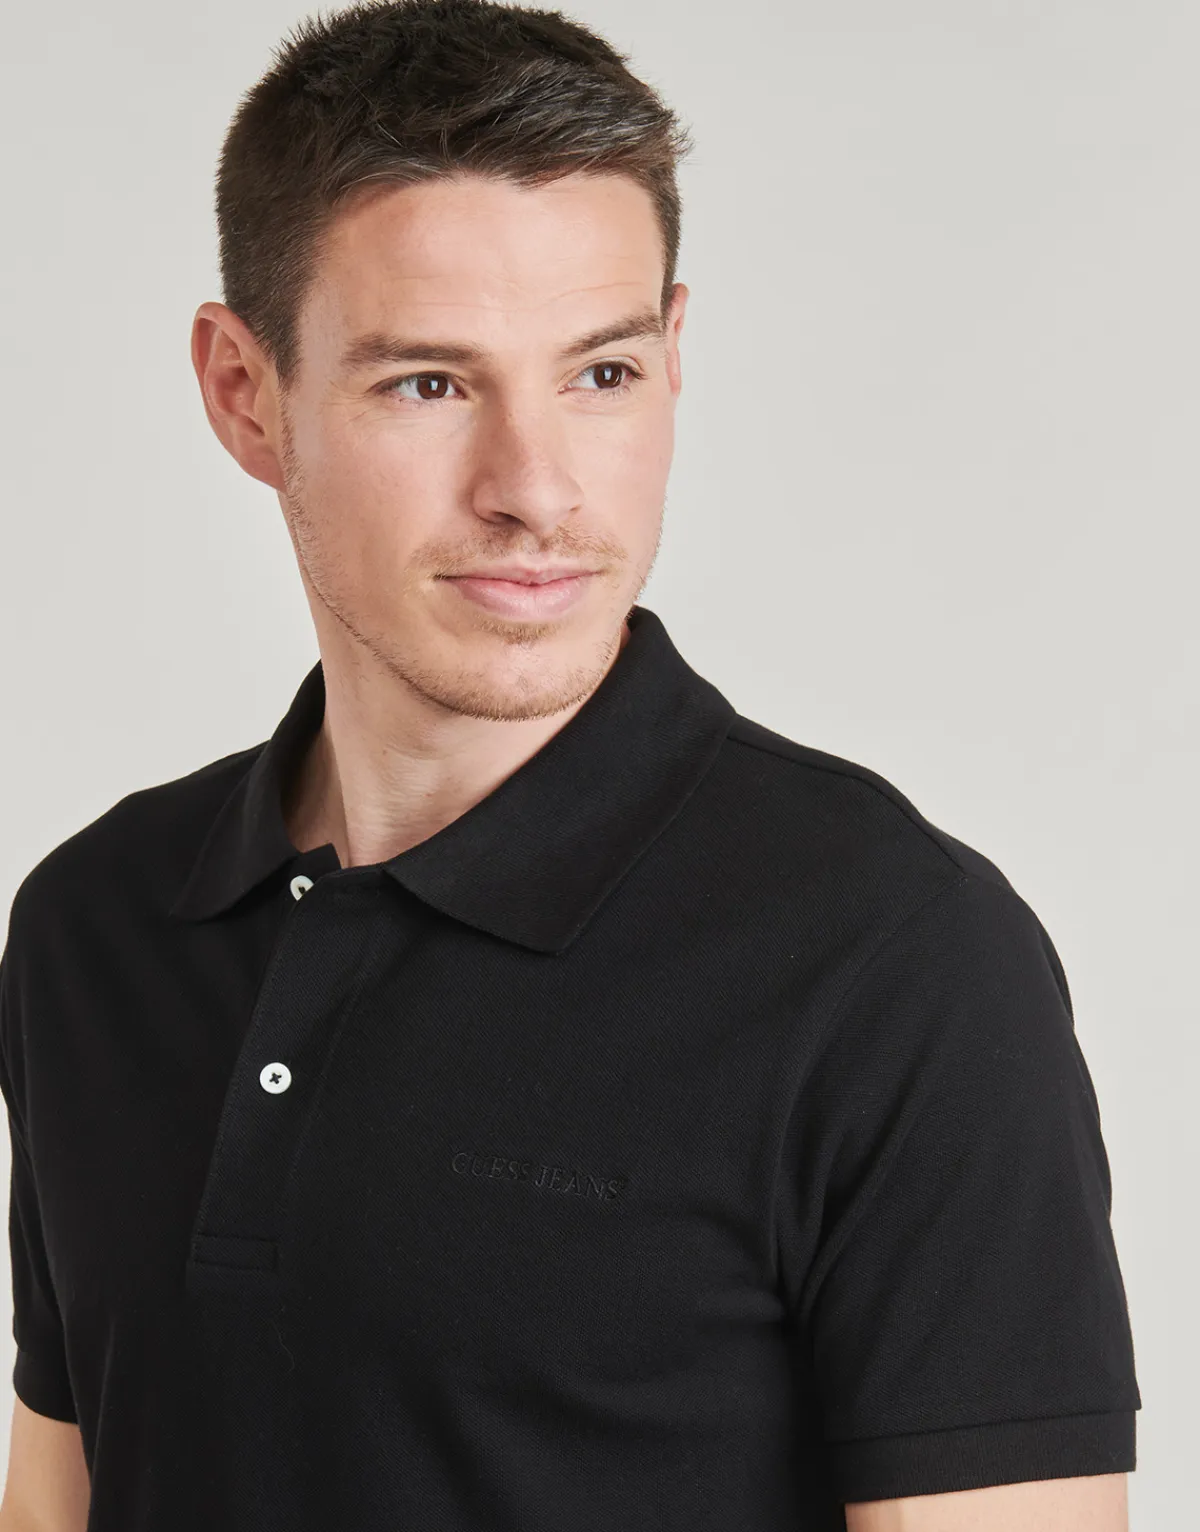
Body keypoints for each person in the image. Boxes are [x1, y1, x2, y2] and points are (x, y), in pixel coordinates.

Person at [0, 1, 1140, 1528]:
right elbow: (59, 1500)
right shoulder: (94, 927)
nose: (535, 492)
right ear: (245, 394)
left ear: (674, 358)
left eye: (600, 374)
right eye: (430, 383)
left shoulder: (894, 961)